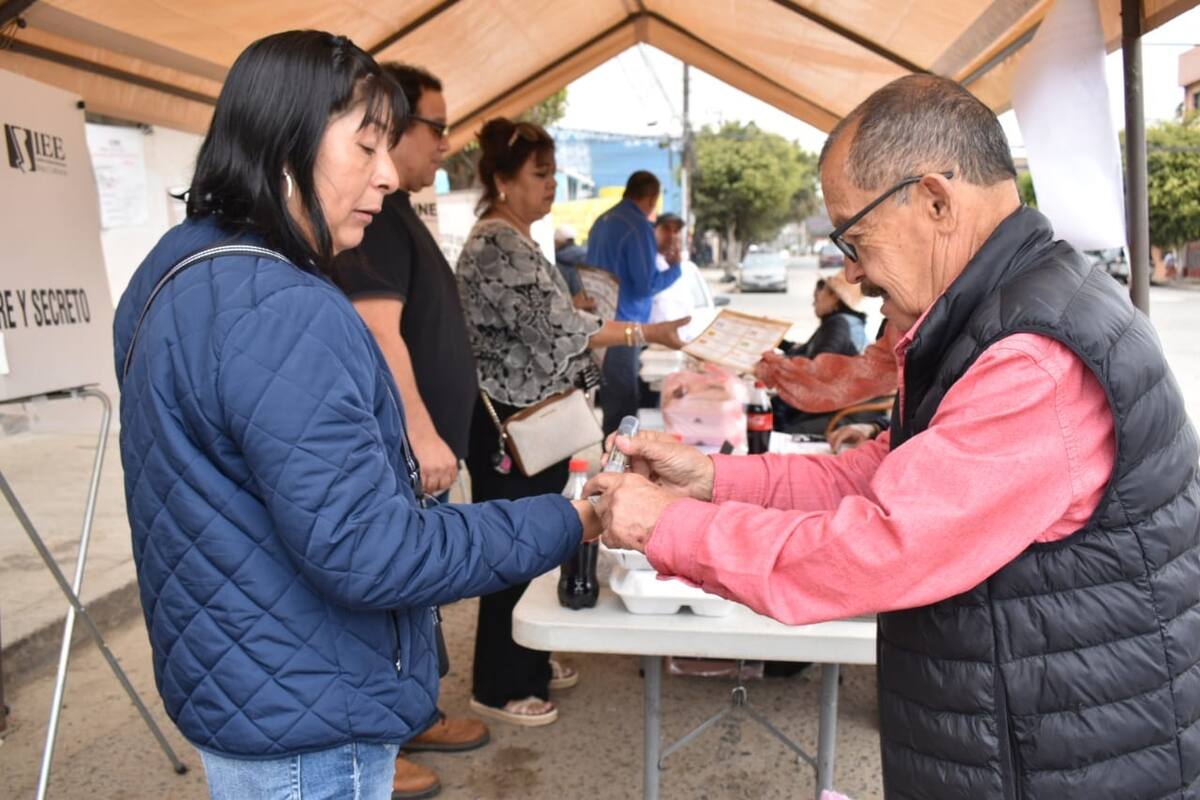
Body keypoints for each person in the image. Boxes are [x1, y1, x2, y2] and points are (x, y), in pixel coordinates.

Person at [586, 74, 1199, 799]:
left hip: (1062, 760)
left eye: (855, 233)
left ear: (936, 200)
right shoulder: (996, 313)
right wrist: (711, 480)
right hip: (1025, 733)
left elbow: (878, 548)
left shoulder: (1034, 357)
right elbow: (880, 473)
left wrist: (670, 527)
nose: (851, 267)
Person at [113, 32, 598, 800]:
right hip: (305, 707)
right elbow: (371, 551)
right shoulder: (284, 309)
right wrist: (572, 521)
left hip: (240, 676)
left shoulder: (174, 267)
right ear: (284, 142)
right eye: (365, 145)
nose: (385, 174)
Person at [456, 118, 688, 727]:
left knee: (535, 537)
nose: (552, 185)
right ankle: (501, 682)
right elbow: (558, 331)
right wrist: (648, 331)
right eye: (540, 175)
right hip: (514, 428)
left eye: (555, 173)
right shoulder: (496, 243)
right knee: (510, 546)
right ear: (503, 181)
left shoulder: (520, 237)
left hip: (540, 420)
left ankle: (527, 655)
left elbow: (549, 317)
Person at [334, 62, 487, 799]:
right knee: (386, 594)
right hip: (399, 452)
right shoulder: (373, 218)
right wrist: (422, 435)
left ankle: (412, 710)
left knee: (414, 595)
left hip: (424, 449)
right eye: (436, 126)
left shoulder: (396, 213)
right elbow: (378, 330)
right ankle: (377, 741)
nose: (444, 145)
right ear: (391, 125)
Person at [586, 170, 682, 432]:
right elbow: (645, 285)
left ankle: (612, 460)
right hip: (624, 328)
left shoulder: (601, 221)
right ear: (652, 198)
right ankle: (617, 465)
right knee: (623, 404)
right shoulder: (638, 226)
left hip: (598, 325)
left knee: (611, 400)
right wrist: (675, 268)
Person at [771, 272, 872, 434]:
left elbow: (819, 365)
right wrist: (778, 342)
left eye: (817, 298)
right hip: (831, 398)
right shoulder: (837, 322)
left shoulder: (839, 324)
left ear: (834, 298)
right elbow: (805, 351)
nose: (813, 304)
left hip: (837, 407)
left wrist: (779, 365)